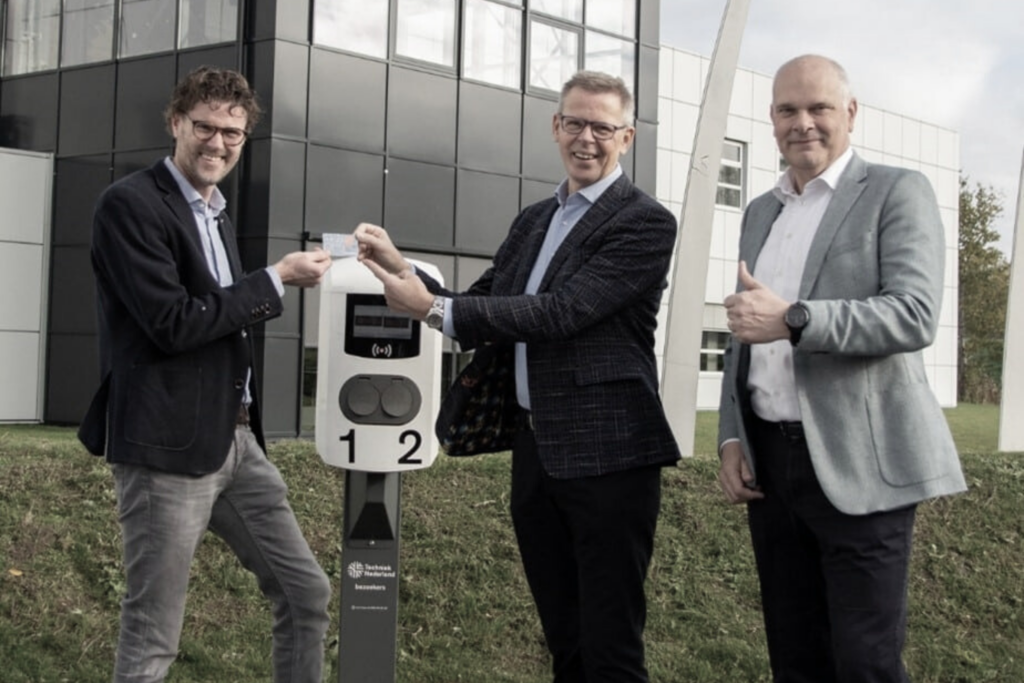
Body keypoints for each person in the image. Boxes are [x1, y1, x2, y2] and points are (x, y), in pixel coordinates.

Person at [354, 71, 680, 683]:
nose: (587, 138)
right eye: (574, 123)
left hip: (611, 459)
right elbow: (480, 311)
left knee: (610, 646)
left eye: (602, 127)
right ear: (556, 127)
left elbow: (564, 312)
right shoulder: (534, 219)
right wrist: (407, 271)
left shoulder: (644, 222)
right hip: (538, 450)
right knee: (564, 638)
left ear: (627, 137)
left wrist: (429, 307)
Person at [77, 66, 333, 683]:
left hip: (236, 440)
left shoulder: (216, 213)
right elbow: (172, 323)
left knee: (305, 594)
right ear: (175, 123)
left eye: (233, 134)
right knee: (153, 634)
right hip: (165, 447)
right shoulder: (129, 205)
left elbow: (219, 320)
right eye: (205, 128)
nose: (218, 144)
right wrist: (274, 279)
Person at [718, 54, 967, 683]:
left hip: (862, 464)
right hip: (771, 465)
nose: (802, 122)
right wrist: (730, 435)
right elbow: (745, 329)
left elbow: (912, 315)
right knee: (796, 658)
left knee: (866, 663)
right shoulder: (758, 212)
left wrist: (796, 320)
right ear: (772, 120)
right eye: (786, 110)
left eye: (818, 107)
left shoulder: (896, 190)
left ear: (850, 113)